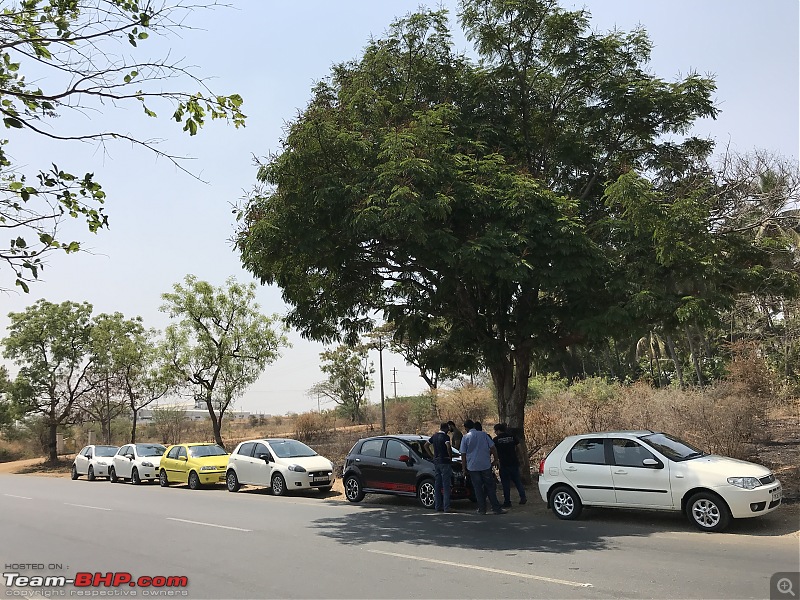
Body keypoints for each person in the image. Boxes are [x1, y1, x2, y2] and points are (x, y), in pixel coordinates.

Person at [459, 419, 505, 515]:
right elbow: (493, 447)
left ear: (466, 428)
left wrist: (464, 468)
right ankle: (496, 508)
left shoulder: (465, 437)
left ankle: (482, 509)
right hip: (485, 465)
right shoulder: (483, 435)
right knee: (490, 487)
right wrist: (496, 459)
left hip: (473, 467)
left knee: (478, 488)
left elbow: (463, 454)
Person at [493, 422, 527, 508]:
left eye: (495, 431)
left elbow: (493, 450)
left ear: (498, 431)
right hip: (514, 462)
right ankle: (523, 497)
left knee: (505, 484)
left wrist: (495, 460)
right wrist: (522, 458)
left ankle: (507, 502)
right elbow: (519, 447)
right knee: (517, 481)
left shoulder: (496, 440)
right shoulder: (512, 437)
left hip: (504, 464)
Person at [428, 422, 453, 512]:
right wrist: (450, 457)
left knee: (437, 484)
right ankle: (447, 507)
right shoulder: (445, 437)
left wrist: (432, 455)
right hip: (445, 461)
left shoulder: (434, 436)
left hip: (436, 461)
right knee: (446, 485)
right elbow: (448, 447)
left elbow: (426, 445)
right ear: (445, 428)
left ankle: (437, 506)